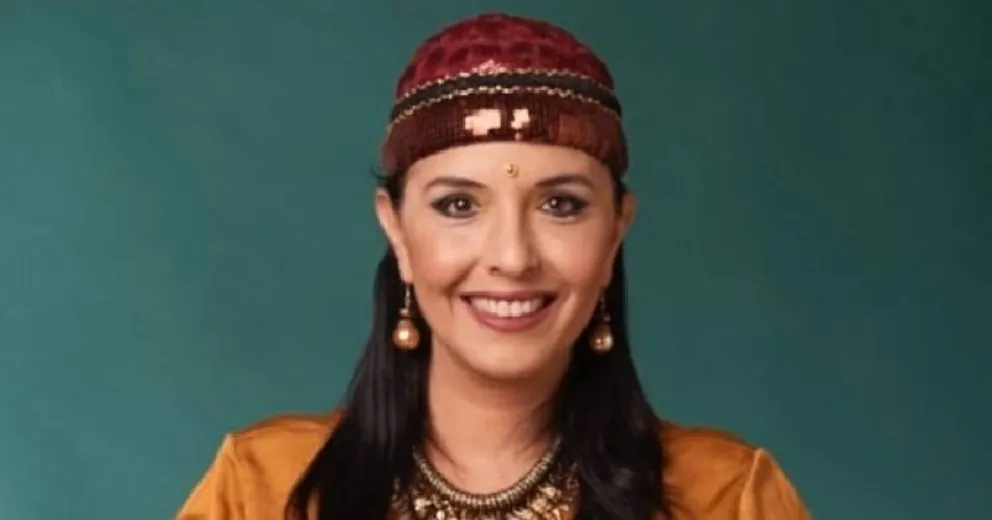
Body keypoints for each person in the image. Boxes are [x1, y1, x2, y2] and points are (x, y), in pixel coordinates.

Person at [176, 12, 811, 520]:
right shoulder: (262, 489)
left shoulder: (727, 497)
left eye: (561, 205)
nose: (512, 257)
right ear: (396, 230)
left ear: (617, 229)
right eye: (459, 205)